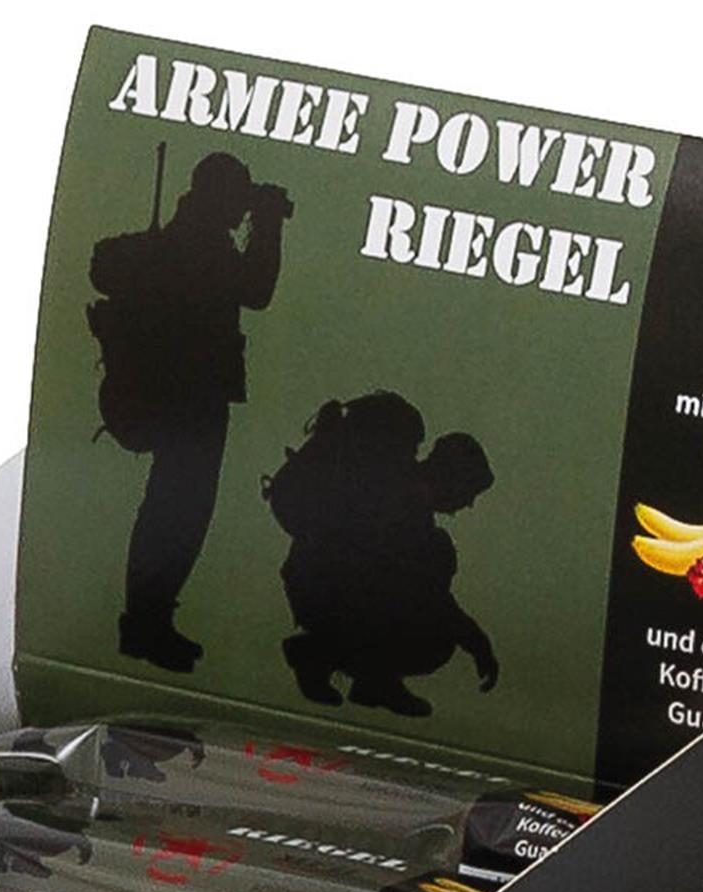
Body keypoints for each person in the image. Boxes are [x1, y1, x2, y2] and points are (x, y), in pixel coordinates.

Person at [89, 152, 291, 672]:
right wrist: (268, 223)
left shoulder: (180, 240)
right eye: (236, 196)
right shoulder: (202, 245)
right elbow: (258, 289)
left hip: (169, 395)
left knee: (170, 508)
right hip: (190, 399)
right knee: (178, 513)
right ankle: (147, 623)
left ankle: (147, 621)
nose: (240, 208)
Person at [269, 394, 500, 718]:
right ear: (453, 481)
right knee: (435, 638)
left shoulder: (399, 491)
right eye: (468, 493)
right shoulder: (403, 505)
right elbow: (425, 594)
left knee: (427, 590)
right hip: (323, 591)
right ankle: (320, 656)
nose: (468, 504)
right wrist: (474, 641)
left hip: (314, 584)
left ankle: (370, 679)